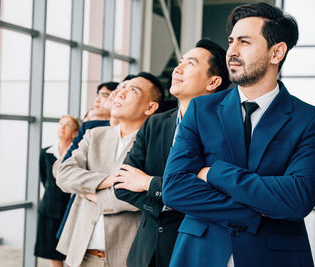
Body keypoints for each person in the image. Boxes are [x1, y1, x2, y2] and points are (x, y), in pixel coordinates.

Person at [162, 2, 315, 267]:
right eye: (231, 41)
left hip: (274, 257)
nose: (232, 51)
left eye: (244, 42)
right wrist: (253, 212)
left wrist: (215, 172)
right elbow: (174, 189)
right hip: (199, 255)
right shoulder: (201, 109)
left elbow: (297, 198)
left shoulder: (311, 120)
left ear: (277, 52)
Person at [113, 39, 230, 267]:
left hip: (194, 249)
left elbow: (215, 193)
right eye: (180, 62)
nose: (178, 68)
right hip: (145, 252)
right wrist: (167, 203)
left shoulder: (224, 130)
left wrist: (150, 184)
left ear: (213, 81)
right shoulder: (155, 124)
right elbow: (122, 185)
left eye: (191, 63)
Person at [54, 72, 165, 267]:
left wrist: (89, 191)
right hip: (80, 254)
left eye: (132, 90)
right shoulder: (94, 135)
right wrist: (110, 180)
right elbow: (63, 175)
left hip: (125, 256)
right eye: (121, 88)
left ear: (150, 107)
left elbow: (147, 196)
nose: (120, 94)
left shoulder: (156, 145)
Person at [54, 76, 136, 241]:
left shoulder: (142, 137)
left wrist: (87, 188)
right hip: (82, 222)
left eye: (106, 94)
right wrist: (110, 180)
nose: (116, 95)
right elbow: (63, 172)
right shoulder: (90, 129)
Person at [34, 115, 80, 267]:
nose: (62, 127)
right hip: (48, 209)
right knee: (53, 254)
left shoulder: (78, 153)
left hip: (71, 210)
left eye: (67, 125)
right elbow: (45, 179)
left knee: (74, 254)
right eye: (60, 123)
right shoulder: (46, 152)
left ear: (75, 132)